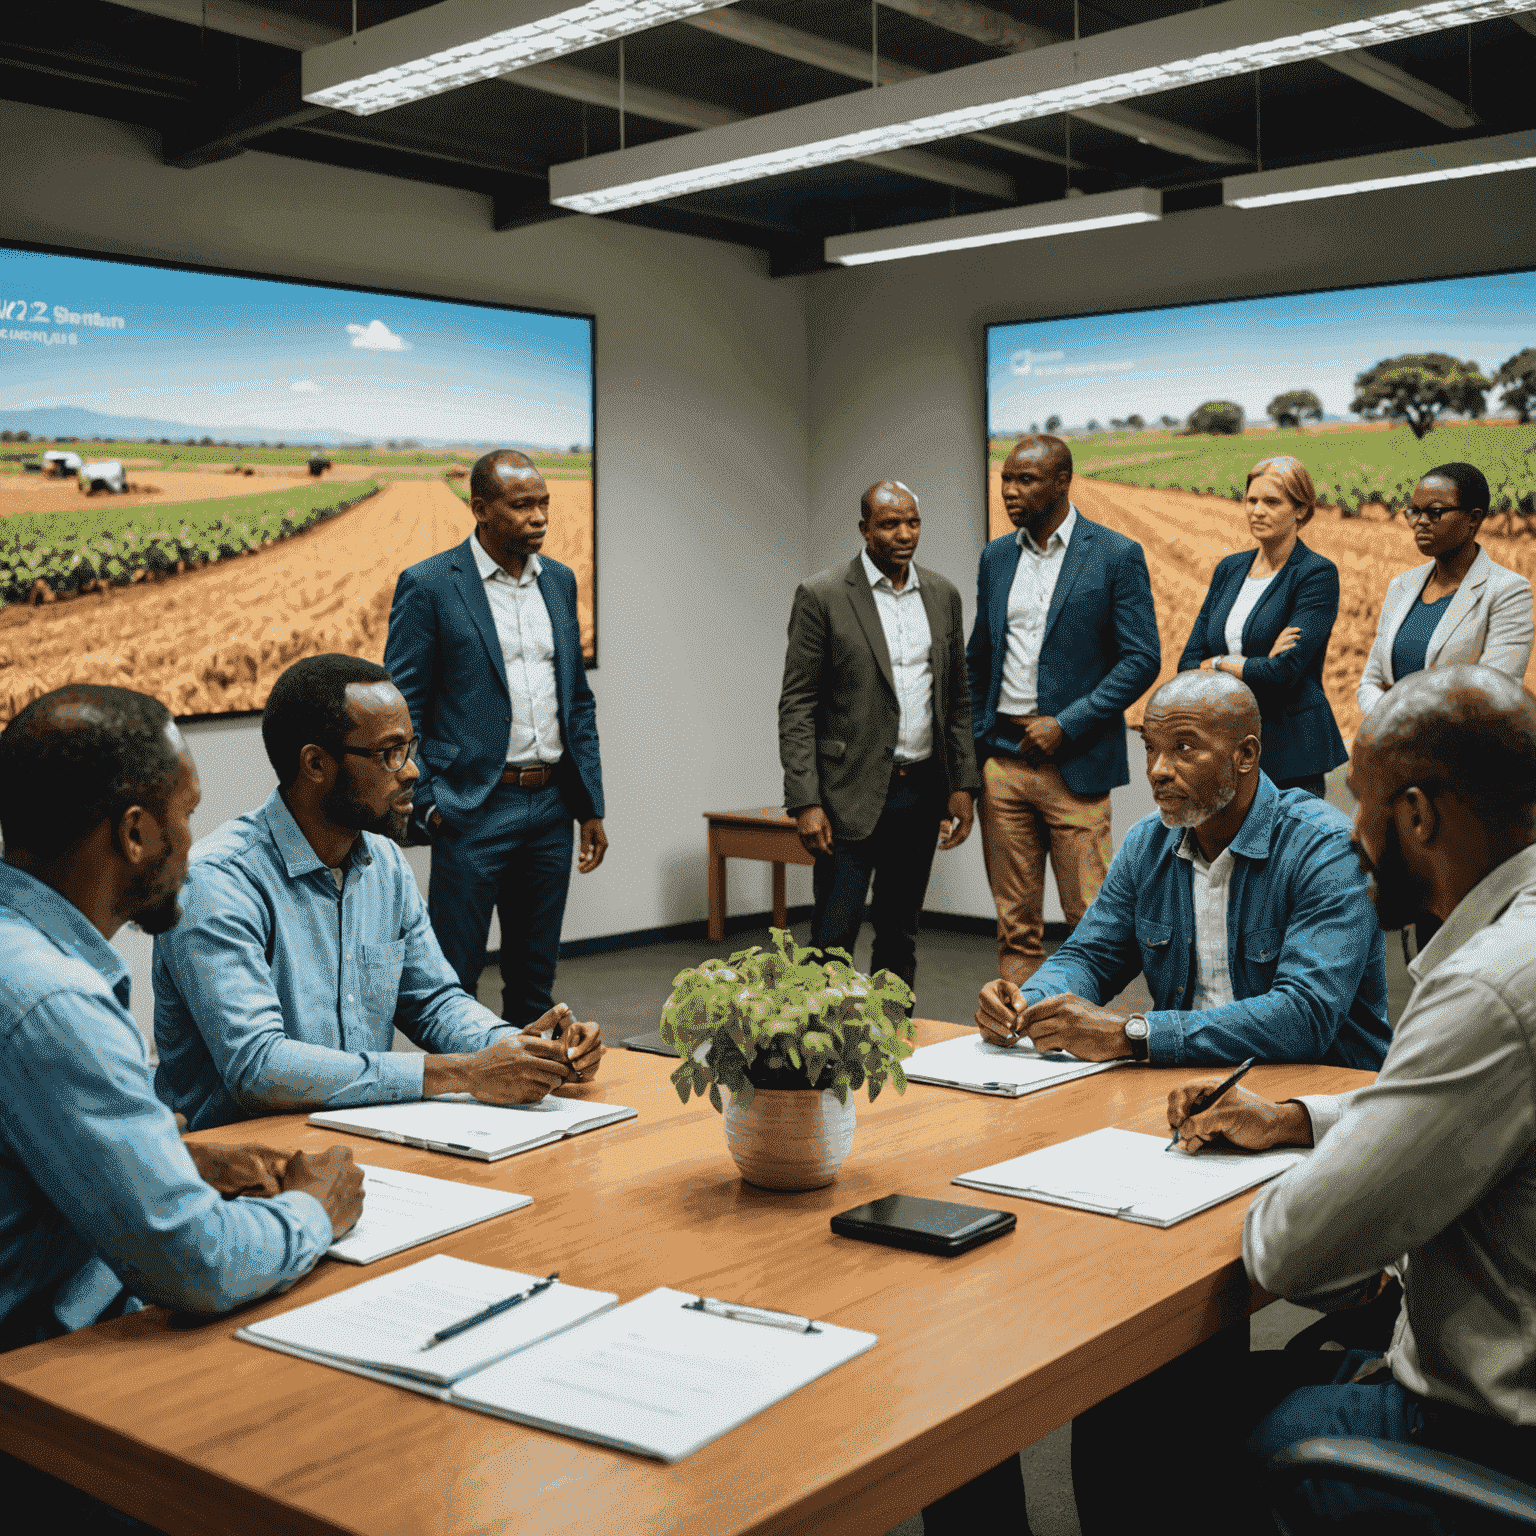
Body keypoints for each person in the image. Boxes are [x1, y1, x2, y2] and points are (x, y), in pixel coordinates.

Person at [1081, 664, 1536, 1534]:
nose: (1352, 834)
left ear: (1418, 815)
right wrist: (1299, 1121)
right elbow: (1459, 1115)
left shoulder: (1489, 988)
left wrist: (1330, 1218)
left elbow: (1290, 1253)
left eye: (1360, 803)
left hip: (1479, 1431)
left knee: (1134, 1418)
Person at [0, 685, 364, 1524]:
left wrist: (177, 1159)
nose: (194, 846)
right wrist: (315, 1210)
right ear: (135, 832)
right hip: (43, 1397)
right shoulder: (55, 1000)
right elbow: (192, 1264)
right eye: (186, 815)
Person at [153, 654, 601, 1131]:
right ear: (316, 764)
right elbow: (260, 1069)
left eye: (410, 747)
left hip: (358, 1138)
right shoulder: (216, 881)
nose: (411, 771)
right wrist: (466, 1073)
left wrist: (524, 1051)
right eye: (390, 752)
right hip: (240, 1163)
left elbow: (433, 1002)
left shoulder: (383, 862)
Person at [974, 670, 1390, 1069]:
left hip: (1316, 1097)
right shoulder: (1146, 845)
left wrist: (1133, 1035)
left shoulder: (1326, 848)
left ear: (1245, 755)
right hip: (1185, 1085)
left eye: (1184, 748)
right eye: (1150, 748)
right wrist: (1027, 1002)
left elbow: (1303, 1017)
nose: (1157, 771)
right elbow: (1091, 956)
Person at [383, 448, 606, 1024]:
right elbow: (402, 709)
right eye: (522, 505)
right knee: (452, 980)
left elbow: (577, 701)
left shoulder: (558, 582)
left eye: (543, 504)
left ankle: (529, 1094)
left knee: (535, 980)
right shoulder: (431, 585)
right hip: (472, 807)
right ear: (480, 508)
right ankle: (458, 1102)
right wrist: (428, 802)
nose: (539, 518)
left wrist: (590, 808)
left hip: (550, 805)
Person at [967, 434, 1160, 985]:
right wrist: (976, 751)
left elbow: (1141, 658)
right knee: (1015, 925)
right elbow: (978, 657)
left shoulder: (1115, 554)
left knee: (1091, 924)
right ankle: (1015, 1034)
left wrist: (1067, 723)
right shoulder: (997, 557)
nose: (1009, 490)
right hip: (1002, 766)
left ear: (1061, 481)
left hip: (1074, 767)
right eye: (1006, 478)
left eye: (1025, 479)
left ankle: (1091, 1044)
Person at [778, 480, 980, 991]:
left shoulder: (942, 595)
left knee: (900, 933)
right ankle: (822, 1054)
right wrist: (805, 800)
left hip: (921, 791)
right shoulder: (822, 595)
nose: (905, 534)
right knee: (832, 937)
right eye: (890, 524)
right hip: (846, 793)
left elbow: (955, 698)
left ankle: (893, 1046)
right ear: (865, 529)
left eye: (912, 522)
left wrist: (963, 785)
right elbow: (797, 704)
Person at [1178, 455, 1347, 798]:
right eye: (1251, 500)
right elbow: (1188, 662)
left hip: (1290, 752)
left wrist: (1219, 663)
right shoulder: (1229, 569)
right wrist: (1246, 664)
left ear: (1300, 510)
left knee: (1289, 850)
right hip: (1227, 746)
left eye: (1272, 502)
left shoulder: (1315, 574)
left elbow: (1284, 673)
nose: (1257, 510)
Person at [1357, 461, 1534, 715]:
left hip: (1461, 754)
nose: (1420, 522)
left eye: (1435, 512)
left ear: (1473, 518)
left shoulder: (1508, 592)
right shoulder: (1401, 586)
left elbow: (1491, 697)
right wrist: (1389, 727)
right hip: (1393, 752)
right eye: (1414, 512)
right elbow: (1370, 682)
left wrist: (1397, 714)